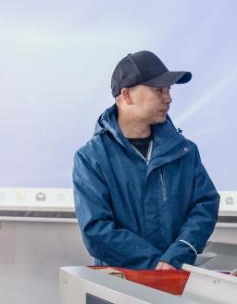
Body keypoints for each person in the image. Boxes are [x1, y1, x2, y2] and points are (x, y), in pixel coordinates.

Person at [73, 50, 219, 270]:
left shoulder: (184, 151)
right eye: (159, 90)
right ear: (127, 95)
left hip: (176, 279)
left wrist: (177, 255)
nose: (168, 98)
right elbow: (96, 231)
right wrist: (157, 264)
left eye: (168, 90)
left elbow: (205, 205)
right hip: (119, 283)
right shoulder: (92, 158)